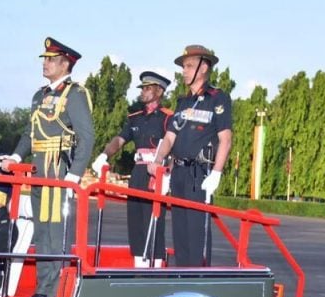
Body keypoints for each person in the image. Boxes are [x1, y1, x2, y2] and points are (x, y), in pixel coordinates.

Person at [1, 37, 95, 297]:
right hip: (40, 169)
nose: (45, 63)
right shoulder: (39, 95)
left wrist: (75, 175)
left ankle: (56, 295)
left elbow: (86, 137)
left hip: (58, 168)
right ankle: (42, 292)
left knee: (57, 234)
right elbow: (30, 134)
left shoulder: (75, 94)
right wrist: (17, 156)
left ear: (65, 64)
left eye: (51, 59)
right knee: (41, 233)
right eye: (44, 59)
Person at [151, 44, 233, 267]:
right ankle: (182, 278)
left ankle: (198, 281)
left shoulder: (217, 98)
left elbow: (225, 139)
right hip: (178, 172)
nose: (184, 71)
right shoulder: (183, 102)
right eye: (184, 66)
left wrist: (216, 173)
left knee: (197, 235)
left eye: (188, 66)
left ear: (203, 67)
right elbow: (169, 137)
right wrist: (158, 162)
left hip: (200, 175)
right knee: (180, 234)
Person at [91, 70, 174, 267]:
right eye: (142, 88)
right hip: (138, 172)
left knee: (153, 221)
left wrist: (168, 174)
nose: (143, 92)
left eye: (148, 88)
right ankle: (139, 265)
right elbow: (119, 140)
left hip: (156, 175)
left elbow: (174, 146)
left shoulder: (167, 117)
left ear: (159, 91)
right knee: (135, 220)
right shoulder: (135, 117)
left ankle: (155, 265)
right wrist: (103, 155)